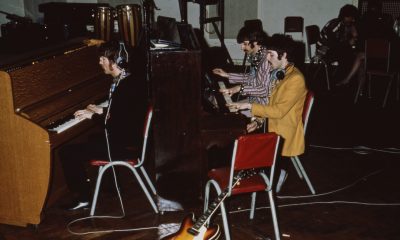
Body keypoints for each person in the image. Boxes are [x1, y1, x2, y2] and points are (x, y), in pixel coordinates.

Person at [59, 40, 147, 210]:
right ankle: (111, 186)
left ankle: (82, 198)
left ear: (116, 61)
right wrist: (102, 109)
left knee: (67, 152)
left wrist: (93, 116)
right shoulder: (127, 80)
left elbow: (115, 125)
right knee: (93, 137)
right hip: (130, 139)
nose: (99, 62)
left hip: (127, 146)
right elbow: (124, 113)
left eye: (102, 58)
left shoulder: (126, 87)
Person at [227, 34, 307, 158]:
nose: (267, 58)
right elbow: (271, 104)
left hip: (283, 135)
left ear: (284, 55)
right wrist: (258, 121)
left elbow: (279, 111)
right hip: (271, 126)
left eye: (271, 54)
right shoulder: (281, 74)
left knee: (241, 150)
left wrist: (248, 105)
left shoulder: (295, 79)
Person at [212, 26, 271, 132]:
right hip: (254, 99)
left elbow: (264, 90)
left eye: (245, 43)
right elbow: (251, 78)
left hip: (264, 105)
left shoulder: (266, 60)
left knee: (229, 119)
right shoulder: (257, 56)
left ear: (255, 42)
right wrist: (227, 75)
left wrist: (239, 88)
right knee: (226, 108)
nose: (242, 48)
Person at [316, 4, 363, 86]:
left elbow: (340, 43)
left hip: (331, 48)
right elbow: (333, 45)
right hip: (323, 50)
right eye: (351, 17)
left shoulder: (344, 25)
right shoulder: (335, 26)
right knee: (347, 55)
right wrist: (348, 43)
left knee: (350, 54)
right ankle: (341, 80)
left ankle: (344, 79)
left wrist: (354, 35)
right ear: (345, 16)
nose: (353, 20)